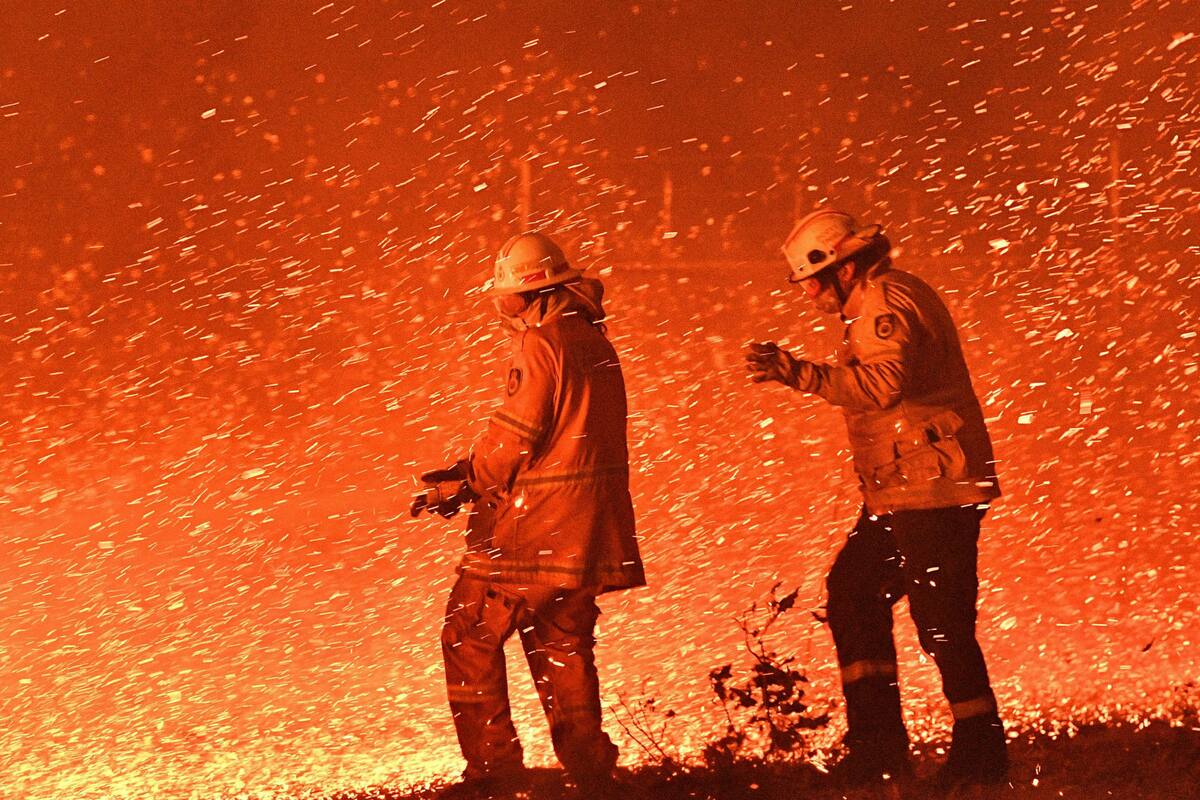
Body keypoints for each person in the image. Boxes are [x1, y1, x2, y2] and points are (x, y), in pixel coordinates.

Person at [744, 209, 1007, 789]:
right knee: (855, 593)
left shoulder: (886, 305)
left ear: (846, 266)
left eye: (815, 278)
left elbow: (883, 388)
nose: (809, 291)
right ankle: (878, 747)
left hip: (934, 491)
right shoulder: (881, 302)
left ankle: (981, 753)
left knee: (942, 623)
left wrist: (796, 372)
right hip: (906, 492)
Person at [412, 231, 645, 798]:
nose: (497, 303)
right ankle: (592, 774)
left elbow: (515, 440)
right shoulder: (594, 341)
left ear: (527, 292)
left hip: (532, 531)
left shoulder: (542, 344)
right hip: (586, 532)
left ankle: (492, 773)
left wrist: (464, 481)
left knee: (467, 635)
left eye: (503, 292)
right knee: (561, 644)